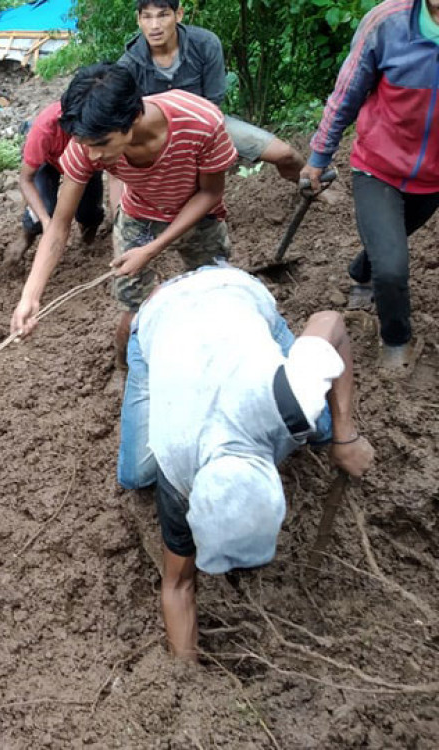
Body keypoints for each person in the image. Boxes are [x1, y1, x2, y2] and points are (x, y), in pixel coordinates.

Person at [116, 264, 374, 660]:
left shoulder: (290, 401)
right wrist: (185, 674)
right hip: (164, 314)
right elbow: (178, 583)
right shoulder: (176, 469)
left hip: (234, 292)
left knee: (321, 430)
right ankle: (133, 325)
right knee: (136, 476)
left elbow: (330, 321)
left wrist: (345, 435)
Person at [11, 62, 238, 368]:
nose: (93, 156)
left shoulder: (201, 122)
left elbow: (210, 193)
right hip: (139, 215)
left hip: (198, 213)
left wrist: (153, 249)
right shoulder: (88, 145)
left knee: (217, 291)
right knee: (134, 308)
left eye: (102, 144)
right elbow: (60, 225)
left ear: (133, 117)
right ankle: (123, 369)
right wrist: (31, 295)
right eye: (84, 145)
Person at [301, 0, 439, 374]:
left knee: (387, 244)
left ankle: (361, 271)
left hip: (432, 179)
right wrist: (318, 156)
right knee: (393, 268)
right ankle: (395, 342)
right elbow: (346, 94)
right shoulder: (387, 22)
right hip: (376, 167)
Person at [118, 0, 304, 183]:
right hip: (158, 139)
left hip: (207, 124)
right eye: (147, 17)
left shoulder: (205, 44)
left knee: (285, 154)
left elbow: (213, 102)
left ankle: (313, 185)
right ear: (138, 20)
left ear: (179, 14)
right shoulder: (127, 66)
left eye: (163, 15)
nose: (155, 26)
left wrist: (195, 142)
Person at [4, 100, 106, 266]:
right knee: (43, 207)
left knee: (88, 211)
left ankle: (87, 242)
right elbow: (25, 179)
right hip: (50, 161)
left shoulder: (97, 126)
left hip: (86, 161)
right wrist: (46, 221)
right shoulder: (44, 130)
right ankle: (25, 238)